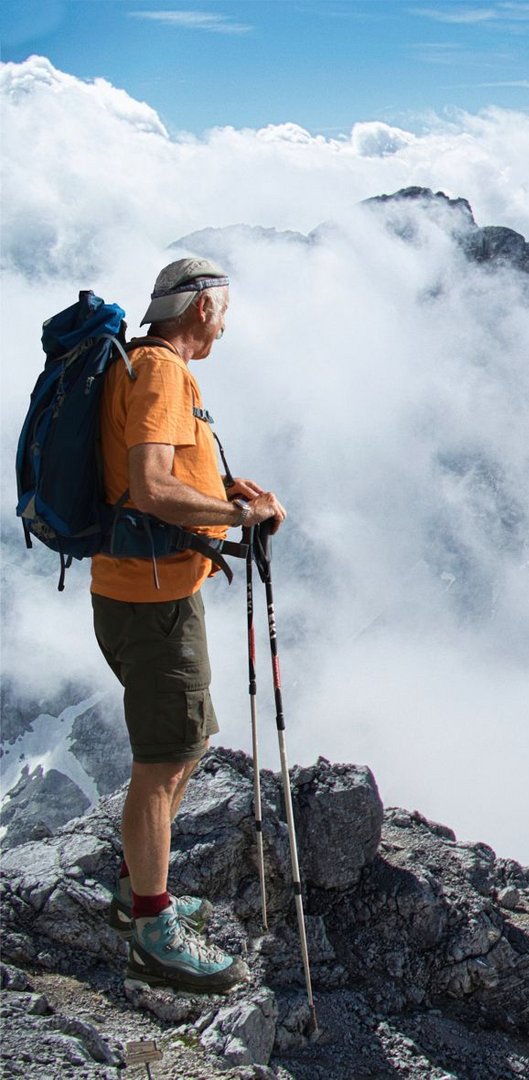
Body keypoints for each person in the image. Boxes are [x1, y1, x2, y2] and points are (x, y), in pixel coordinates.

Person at [92, 257, 287, 994]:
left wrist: (223, 491)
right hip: (152, 600)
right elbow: (149, 486)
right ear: (201, 308)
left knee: (188, 742)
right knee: (166, 756)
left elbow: (165, 474)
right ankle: (151, 927)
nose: (227, 323)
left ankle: (135, 882)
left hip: (151, 588)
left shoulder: (146, 366)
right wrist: (240, 515)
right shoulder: (164, 373)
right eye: (224, 308)